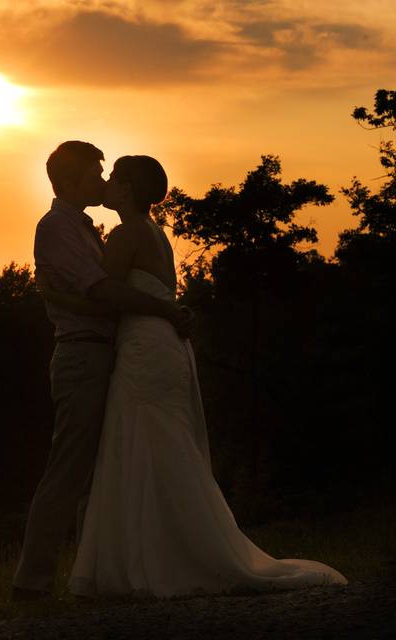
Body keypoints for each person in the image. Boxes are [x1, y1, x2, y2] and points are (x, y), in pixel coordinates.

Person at [58, 154, 348, 598]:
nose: (108, 184)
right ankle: (165, 552)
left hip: (145, 348)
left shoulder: (127, 233)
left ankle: (159, 559)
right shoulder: (155, 233)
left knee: (143, 442)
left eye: (114, 178)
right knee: (160, 445)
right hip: (165, 345)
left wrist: (54, 295)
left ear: (129, 189)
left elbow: (107, 297)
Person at [11, 142, 195, 601]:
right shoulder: (56, 227)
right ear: (70, 181)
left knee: (104, 467)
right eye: (95, 175)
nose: (102, 181)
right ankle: (32, 582)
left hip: (110, 352)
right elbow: (101, 292)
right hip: (83, 355)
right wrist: (164, 310)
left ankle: (93, 574)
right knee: (69, 468)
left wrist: (57, 296)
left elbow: (99, 290)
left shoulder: (94, 228)